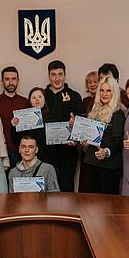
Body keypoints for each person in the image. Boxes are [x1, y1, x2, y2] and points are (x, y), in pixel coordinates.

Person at [80, 76, 125, 194]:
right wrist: (85, 142)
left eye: (108, 91)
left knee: (107, 203)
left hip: (108, 166)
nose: (104, 94)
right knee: (91, 201)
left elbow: (119, 140)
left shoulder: (117, 113)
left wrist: (106, 151)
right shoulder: (94, 111)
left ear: (114, 93)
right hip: (91, 163)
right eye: (102, 90)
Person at [44, 60, 83, 192]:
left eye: (60, 74)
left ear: (65, 75)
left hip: (68, 151)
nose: (57, 78)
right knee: (47, 188)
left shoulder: (75, 96)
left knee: (66, 187)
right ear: (49, 76)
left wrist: (75, 135)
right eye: (53, 74)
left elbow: (81, 125)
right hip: (46, 151)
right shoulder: (42, 95)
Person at [0, 66, 29, 167]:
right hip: (2, 151)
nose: (10, 82)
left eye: (14, 79)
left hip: (23, 151)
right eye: (7, 79)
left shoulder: (25, 102)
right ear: (2, 81)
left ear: (18, 80)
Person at [11, 87, 56, 168]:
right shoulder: (23, 117)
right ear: (30, 101)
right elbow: (17, 140)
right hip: (29, 160)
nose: (37, 99)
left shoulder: (53, 116)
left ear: (45, 99)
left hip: (49, 159)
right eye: (34, 97)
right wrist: (14, 126)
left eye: (40, 97)